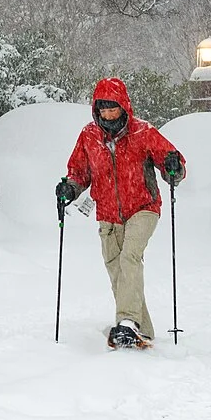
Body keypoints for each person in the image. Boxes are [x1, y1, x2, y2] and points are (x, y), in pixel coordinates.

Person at [56, 77, 186, 348]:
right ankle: (142, 330)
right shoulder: (89, 136)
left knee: (130, 257)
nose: (107, 114)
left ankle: (127, 321)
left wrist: (173, 166)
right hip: (108, 214)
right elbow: (79, 172)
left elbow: (171, 162)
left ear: (124, 106)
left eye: (112, 108)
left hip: (143, 207)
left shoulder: (142, 132)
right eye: (102, 109)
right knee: (117, 271)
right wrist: (70, 188)